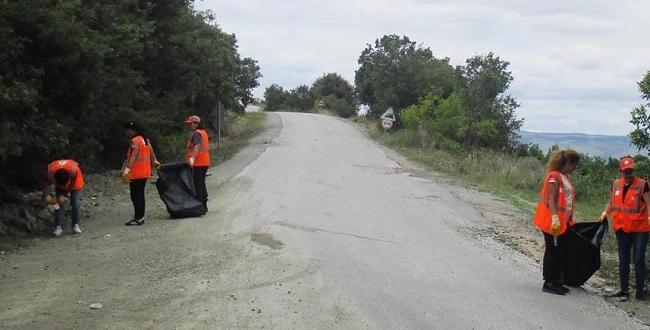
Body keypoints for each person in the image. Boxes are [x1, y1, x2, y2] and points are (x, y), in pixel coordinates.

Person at [601, 157, 650, 301]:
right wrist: (605, 212)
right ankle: (624, 291)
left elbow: (648, 202)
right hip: (622, 227)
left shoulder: (643, 185)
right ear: (620, 171)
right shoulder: (616, 184)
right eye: (625, 171)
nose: (628, 174)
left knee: (638, 259)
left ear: (633, 170)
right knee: (623, 259)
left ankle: (640, 293)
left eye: (630, 171)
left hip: (640, 228)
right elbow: (612, 202)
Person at [533, 149, 580, 295]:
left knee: (560, 251)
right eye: (574, 164)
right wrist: (554, 217)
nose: (575, 167)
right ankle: (548, 282)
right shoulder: (554, 177)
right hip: (552, 222)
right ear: (567, 163)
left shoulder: (565, 177)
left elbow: (567, 201)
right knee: (552, 251)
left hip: (562, 223)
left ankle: (556, 280)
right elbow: (551, 199)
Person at [121, 121, 160, 226]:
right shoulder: (145, 139)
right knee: (140, 194)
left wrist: (127, 169)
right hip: (145, 172)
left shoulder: (135, 140)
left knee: (135, 195)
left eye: (128, 130)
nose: (127, 132)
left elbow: (133, 155)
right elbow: (151, 151)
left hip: (136, 172)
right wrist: (155, 161)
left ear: (133, 130)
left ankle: (138, 217)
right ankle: (140, 217)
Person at [42, 159, 85, 237]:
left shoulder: (73, 171)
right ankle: (59, 227)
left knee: (75, 203)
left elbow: (72, 185)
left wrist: (64, 195)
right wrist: (47, 197)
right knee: (58, 204)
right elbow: (45, 184)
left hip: (75, 184)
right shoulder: (50, 171)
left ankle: (76, 225)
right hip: (59, 185)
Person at [184, 115, 210, 212]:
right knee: (201, 183)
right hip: (205, 162)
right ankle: (204, 204)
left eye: (190, 124)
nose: (189, 125)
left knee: (198, 184)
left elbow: (197, 146)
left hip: (199, 162)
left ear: (196, 124)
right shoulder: (203, 132)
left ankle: (201, 206)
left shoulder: (197, 133)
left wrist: (192, 159)